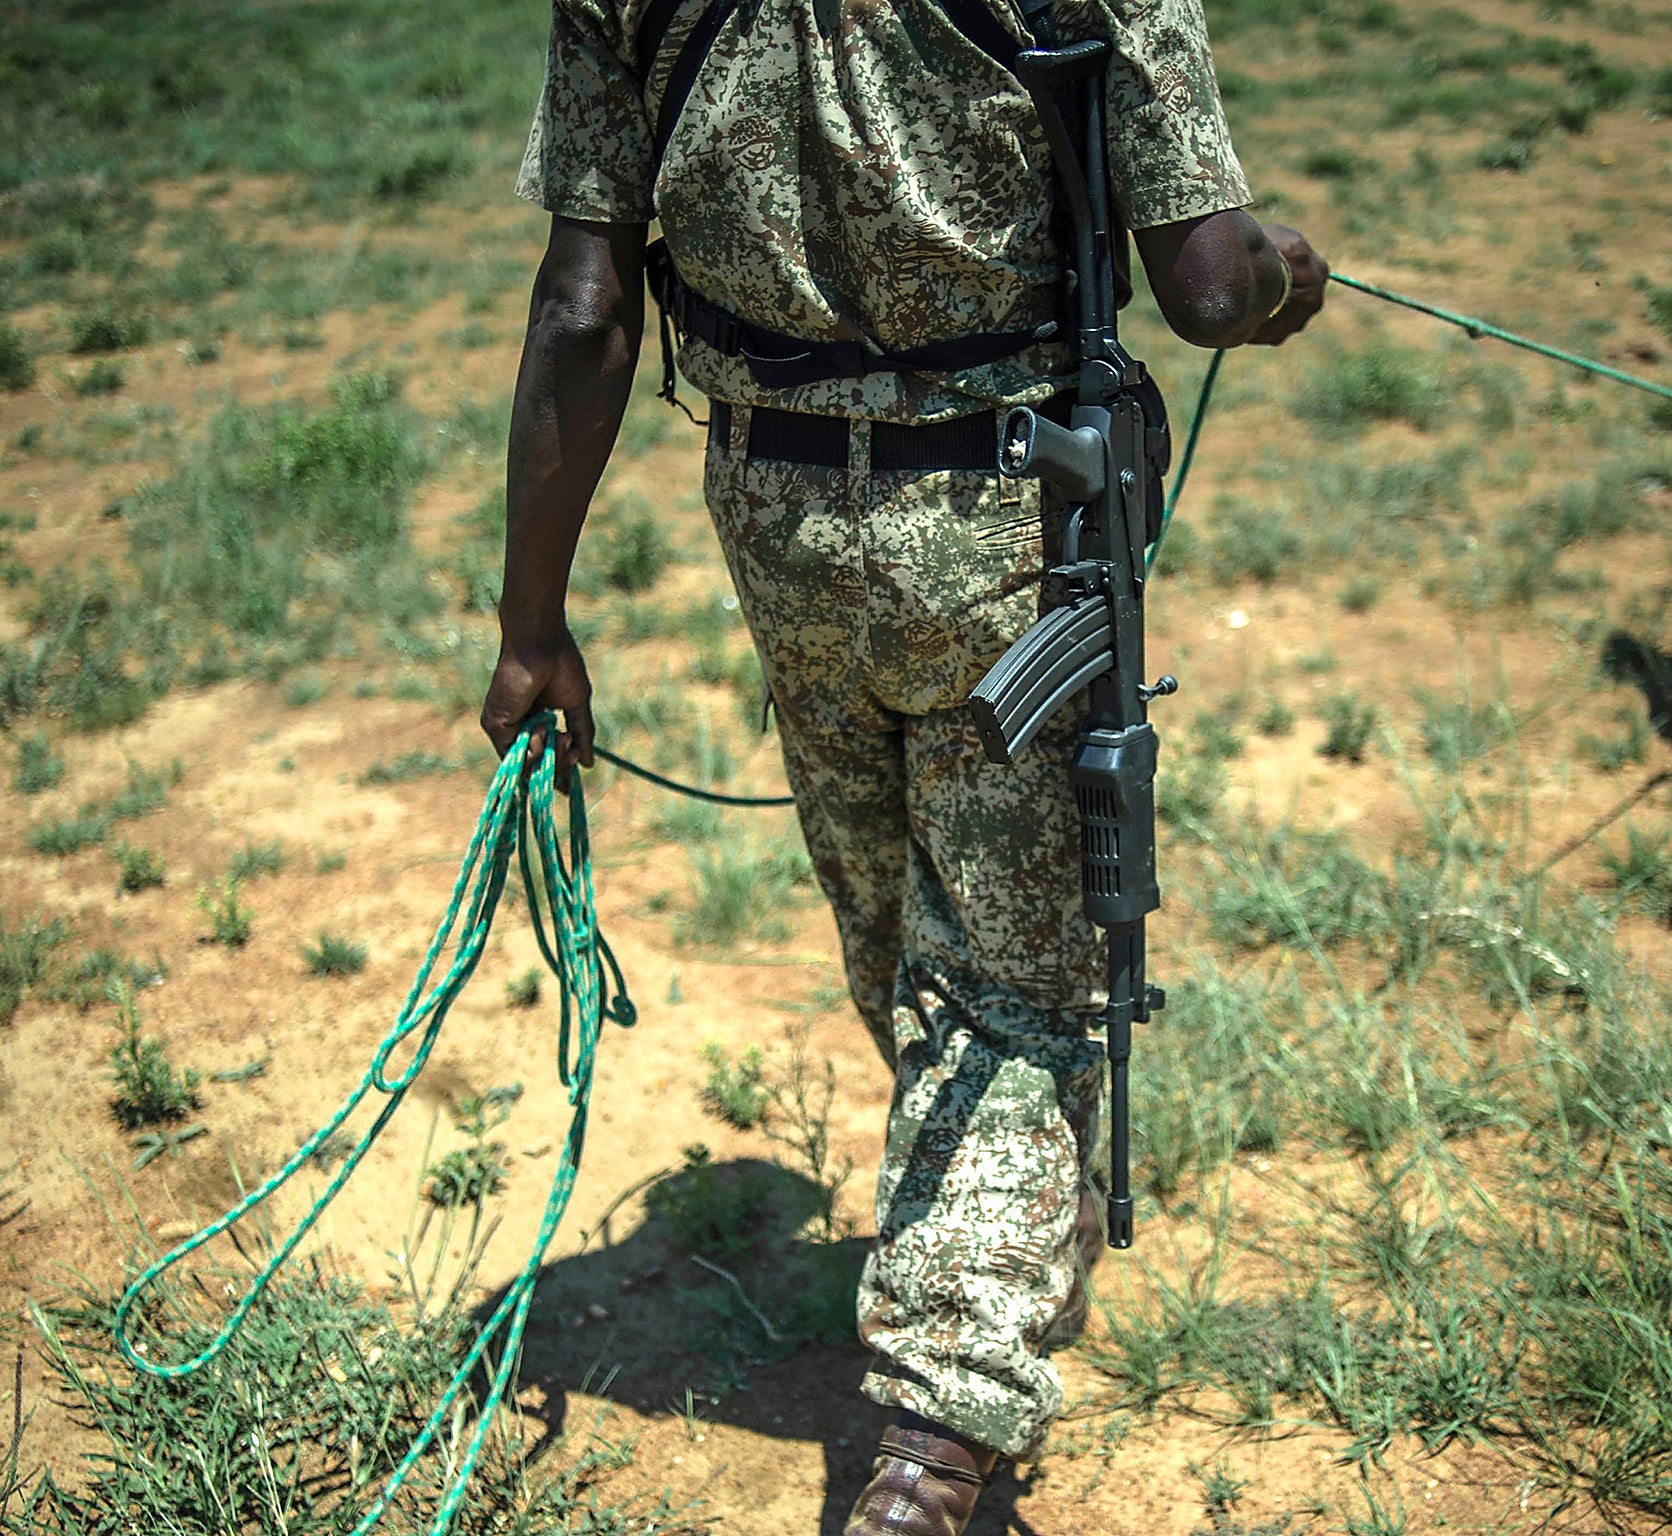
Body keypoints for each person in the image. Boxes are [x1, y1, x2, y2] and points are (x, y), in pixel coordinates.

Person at [481, 0, 1327, 1528]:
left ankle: (981, 1250)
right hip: (1014, 527)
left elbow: (585, 306)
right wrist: (1283, 274)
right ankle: (940, 1434)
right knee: (1001, 985)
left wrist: (530, 621)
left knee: (887, 918)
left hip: (777, 515)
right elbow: (1205, 286)